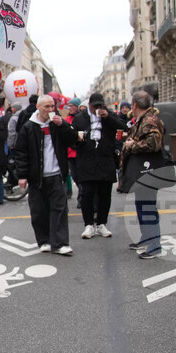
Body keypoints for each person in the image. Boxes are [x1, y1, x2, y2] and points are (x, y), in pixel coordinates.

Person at [14, 94, 77, 256]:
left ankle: (61, 243)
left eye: (52, 106)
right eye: (46, 107)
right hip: (37, 177)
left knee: (59, 209)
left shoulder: (58, 124)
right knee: (39, 211)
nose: (50, 110)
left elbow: (73, 140)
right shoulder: (29, 127)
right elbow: (21, 152)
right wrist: (22, 175)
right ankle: (44, 240)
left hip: (57, 174)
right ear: (38, 107)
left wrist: (62, 124)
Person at [72, 94, 127, 239]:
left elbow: (123, 126)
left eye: (100, 106)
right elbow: (71, 139)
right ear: (89, 105)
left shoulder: (110, 115)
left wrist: (107, 117)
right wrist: (78, 139)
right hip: (86, 160)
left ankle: (102, 223)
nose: (97, 108)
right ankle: (88, 224)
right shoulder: (80, 117)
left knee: (105, 194)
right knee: (87, 194)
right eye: (95, 106)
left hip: (105, 160)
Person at [121, 91, 166, 259]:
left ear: (134, 105)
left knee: (147, 207)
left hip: (148, 170)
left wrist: (132, 145)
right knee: (142, 205)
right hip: (143, 170)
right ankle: (147, 237)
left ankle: (155, 245)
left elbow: (153, 143)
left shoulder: (149, 120)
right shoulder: (145, 119)